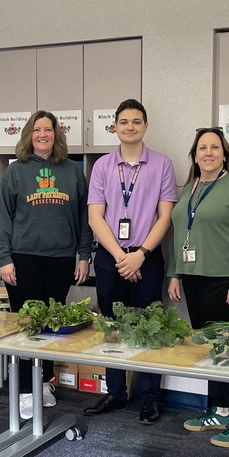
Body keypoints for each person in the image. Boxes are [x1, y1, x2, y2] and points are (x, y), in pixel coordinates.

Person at [0, 110, 92, 420]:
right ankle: (24, 389)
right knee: (26, 327)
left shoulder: (72, 171)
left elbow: (83, 217)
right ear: (29, 135)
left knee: (52, 326)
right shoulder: (16, 171)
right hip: (24, 259)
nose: (43, 135)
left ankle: (44, 382)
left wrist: (84, 255)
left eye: (48, 129)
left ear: (56, 134)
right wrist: (5, 259)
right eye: (37, 130)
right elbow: (2, 219)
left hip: (61, 259)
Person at [84, 99, 177, 424]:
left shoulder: (162, 164)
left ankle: (150, 397)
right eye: (124, 122)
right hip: (112, 257)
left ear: (145, 126)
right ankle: (115, 392)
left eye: (136, 122)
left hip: (147, 256)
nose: (130, 127)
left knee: (150, 325)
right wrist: (122, 257)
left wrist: (140, 255)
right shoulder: (102, 166)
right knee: (111, 325)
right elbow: (96, 217)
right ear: (115, 127)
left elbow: (165, 216)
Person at [168, 127, 229, 447]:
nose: (208, 152)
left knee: (227, 350)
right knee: (211, 350)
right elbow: (181, 232)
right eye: (202, 148)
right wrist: (174, 274)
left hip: (223, 280)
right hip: (193, 277)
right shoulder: (190, 187)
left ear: (224, 154)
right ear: (195, 155)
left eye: (214, 147)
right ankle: (221, 411)